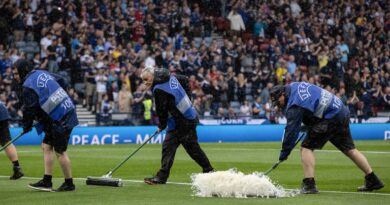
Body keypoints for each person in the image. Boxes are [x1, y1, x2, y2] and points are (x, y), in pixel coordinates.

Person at [270, 82, 384, 194]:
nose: (278, 105)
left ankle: (309, 185)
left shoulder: (294, 103)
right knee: (350, 150)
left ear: (283, 94)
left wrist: (285, 152)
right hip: (341, 111)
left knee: (306, 148)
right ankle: (373, 179)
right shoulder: (294, 85)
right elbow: (314, 98)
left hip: (330, 117)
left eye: (277, 101)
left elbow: (291, 131)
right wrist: (311, 122)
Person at [13, 59, 78, 192]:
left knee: (60, 151)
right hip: (64, 112)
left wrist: (26, 126)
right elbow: (62, 80)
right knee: (46, 146)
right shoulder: (40, 72)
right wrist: (60, 95)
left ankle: (69, 184)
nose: (15, 76)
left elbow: (29, 109)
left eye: (16, 73)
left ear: (23, 70)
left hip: (61, 117)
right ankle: (46, 181)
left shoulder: (27, 86)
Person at [141, 67, 214, 185]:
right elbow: (185, 79)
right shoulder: (169, 76)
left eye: (146, 79)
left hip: (183, 121)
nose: (145, 82)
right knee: (172, 147)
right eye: (143, 80)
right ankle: (162, 176)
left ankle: (209, 170)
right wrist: (189, 98)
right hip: (185, 117)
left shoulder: (158, 89)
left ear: (153, 75)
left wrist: (161, 125)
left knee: (190, 149)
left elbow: (161, 110)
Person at [0, 102, 24, 180]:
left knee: (6, 141)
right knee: (6, 141)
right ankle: (17, 168)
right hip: (2, 110)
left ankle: (17, 169)